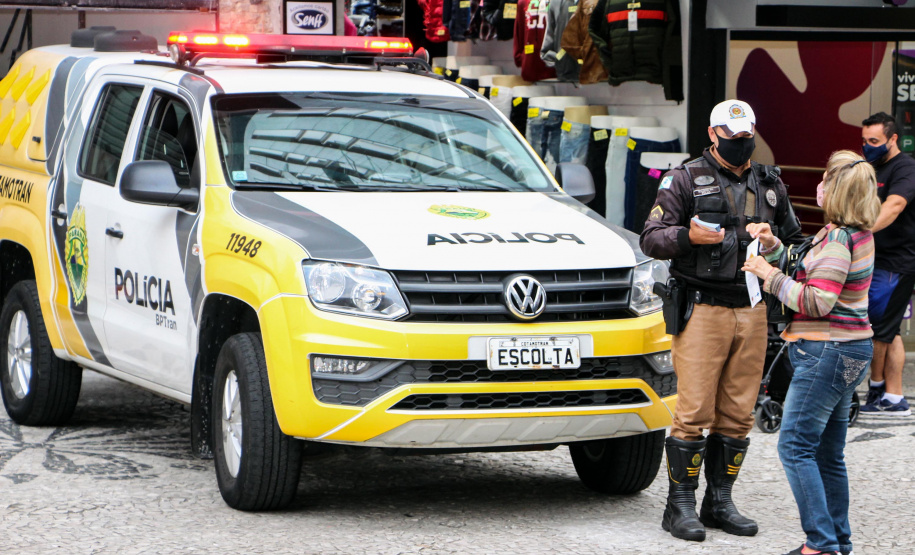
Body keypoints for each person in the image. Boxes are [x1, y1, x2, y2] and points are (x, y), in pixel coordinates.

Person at [640, 99, 803, 542]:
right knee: (693, 411)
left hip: (752, 310)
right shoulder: (685, 178)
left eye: (746, 137)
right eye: (731, 138)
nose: (740, 144)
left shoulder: (770, 183)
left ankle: (720, 501)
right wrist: (685, 237)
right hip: (702, 308)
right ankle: (679, 507)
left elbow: (796, 245)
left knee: (737, 414)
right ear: (713, 134)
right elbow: (651, 238)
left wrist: (772, 246)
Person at [743, 150, 879, 555]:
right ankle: (837, 541)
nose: (817, 185)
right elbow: (808, 268)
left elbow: (817, 300)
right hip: (850, 350)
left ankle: (819, 544)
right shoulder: (848, 232)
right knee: (827, 452)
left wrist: (770, 277)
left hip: (826, 352)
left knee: (795, 446)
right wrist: (773, 247)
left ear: (835, 191)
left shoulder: (838, 240)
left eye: (824, 179)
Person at [859, 112, 915, 417]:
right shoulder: (870, 166)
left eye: (875, 141)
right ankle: (890, 396)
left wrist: (856, 233)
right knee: (888, 330)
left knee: (880, 329)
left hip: (896, 263)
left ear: (893, 139)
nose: (868, 146)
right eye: (865, 141)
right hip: (874, 259)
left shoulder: (905, 168)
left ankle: (882, 391)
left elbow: (893, 206)